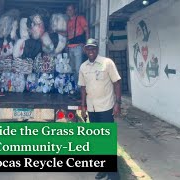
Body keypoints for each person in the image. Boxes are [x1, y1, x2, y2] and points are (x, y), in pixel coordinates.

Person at [78, 38, 121, 180]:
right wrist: (83, 106)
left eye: (93, 49)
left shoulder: (107, 63)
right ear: (85, 50)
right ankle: (103, 170)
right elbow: (83, 88)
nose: (91, 51)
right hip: (92, 108)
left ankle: (114, 176)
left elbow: (117, 82)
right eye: (88, 49)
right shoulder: (83, 67)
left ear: (97, 49)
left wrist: (118, 103)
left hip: (106, 107)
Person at [66, 4, 89, 83]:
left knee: (78, 68)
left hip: (78, 47)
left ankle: (80, 88)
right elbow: (67, 34)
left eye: (71, 9)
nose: (69, 11)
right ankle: (75, 85)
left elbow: (86, 30)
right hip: (70, 47)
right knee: (72, 68)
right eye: (68, 10)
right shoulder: (68, 22)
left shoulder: (80, 18)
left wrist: (87, 44)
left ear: (75, 10)